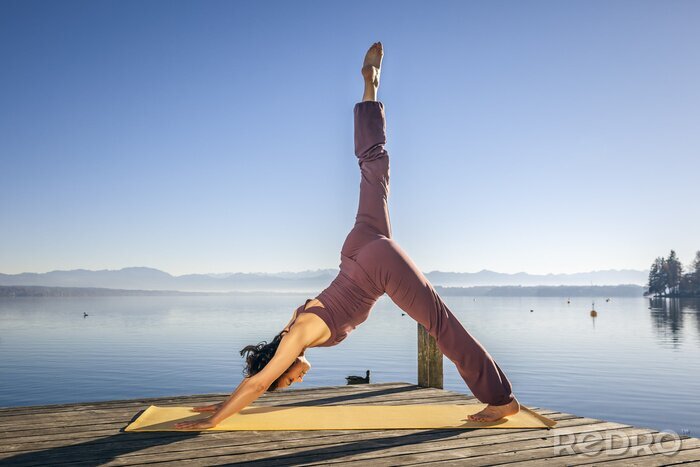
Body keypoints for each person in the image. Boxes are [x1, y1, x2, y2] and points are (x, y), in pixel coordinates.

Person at [175, 42, 520, 429]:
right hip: (357, 247)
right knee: (373, 167)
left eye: (288, 379)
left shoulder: (297, 336)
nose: (295, 381)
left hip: (374, 268)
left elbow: (258, 382)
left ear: (283, 363)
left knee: (438, 323)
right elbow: (258, 377)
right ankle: (370, 88)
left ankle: (500, 400)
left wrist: (214, 420)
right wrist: (223, 402)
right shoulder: (293, 322)